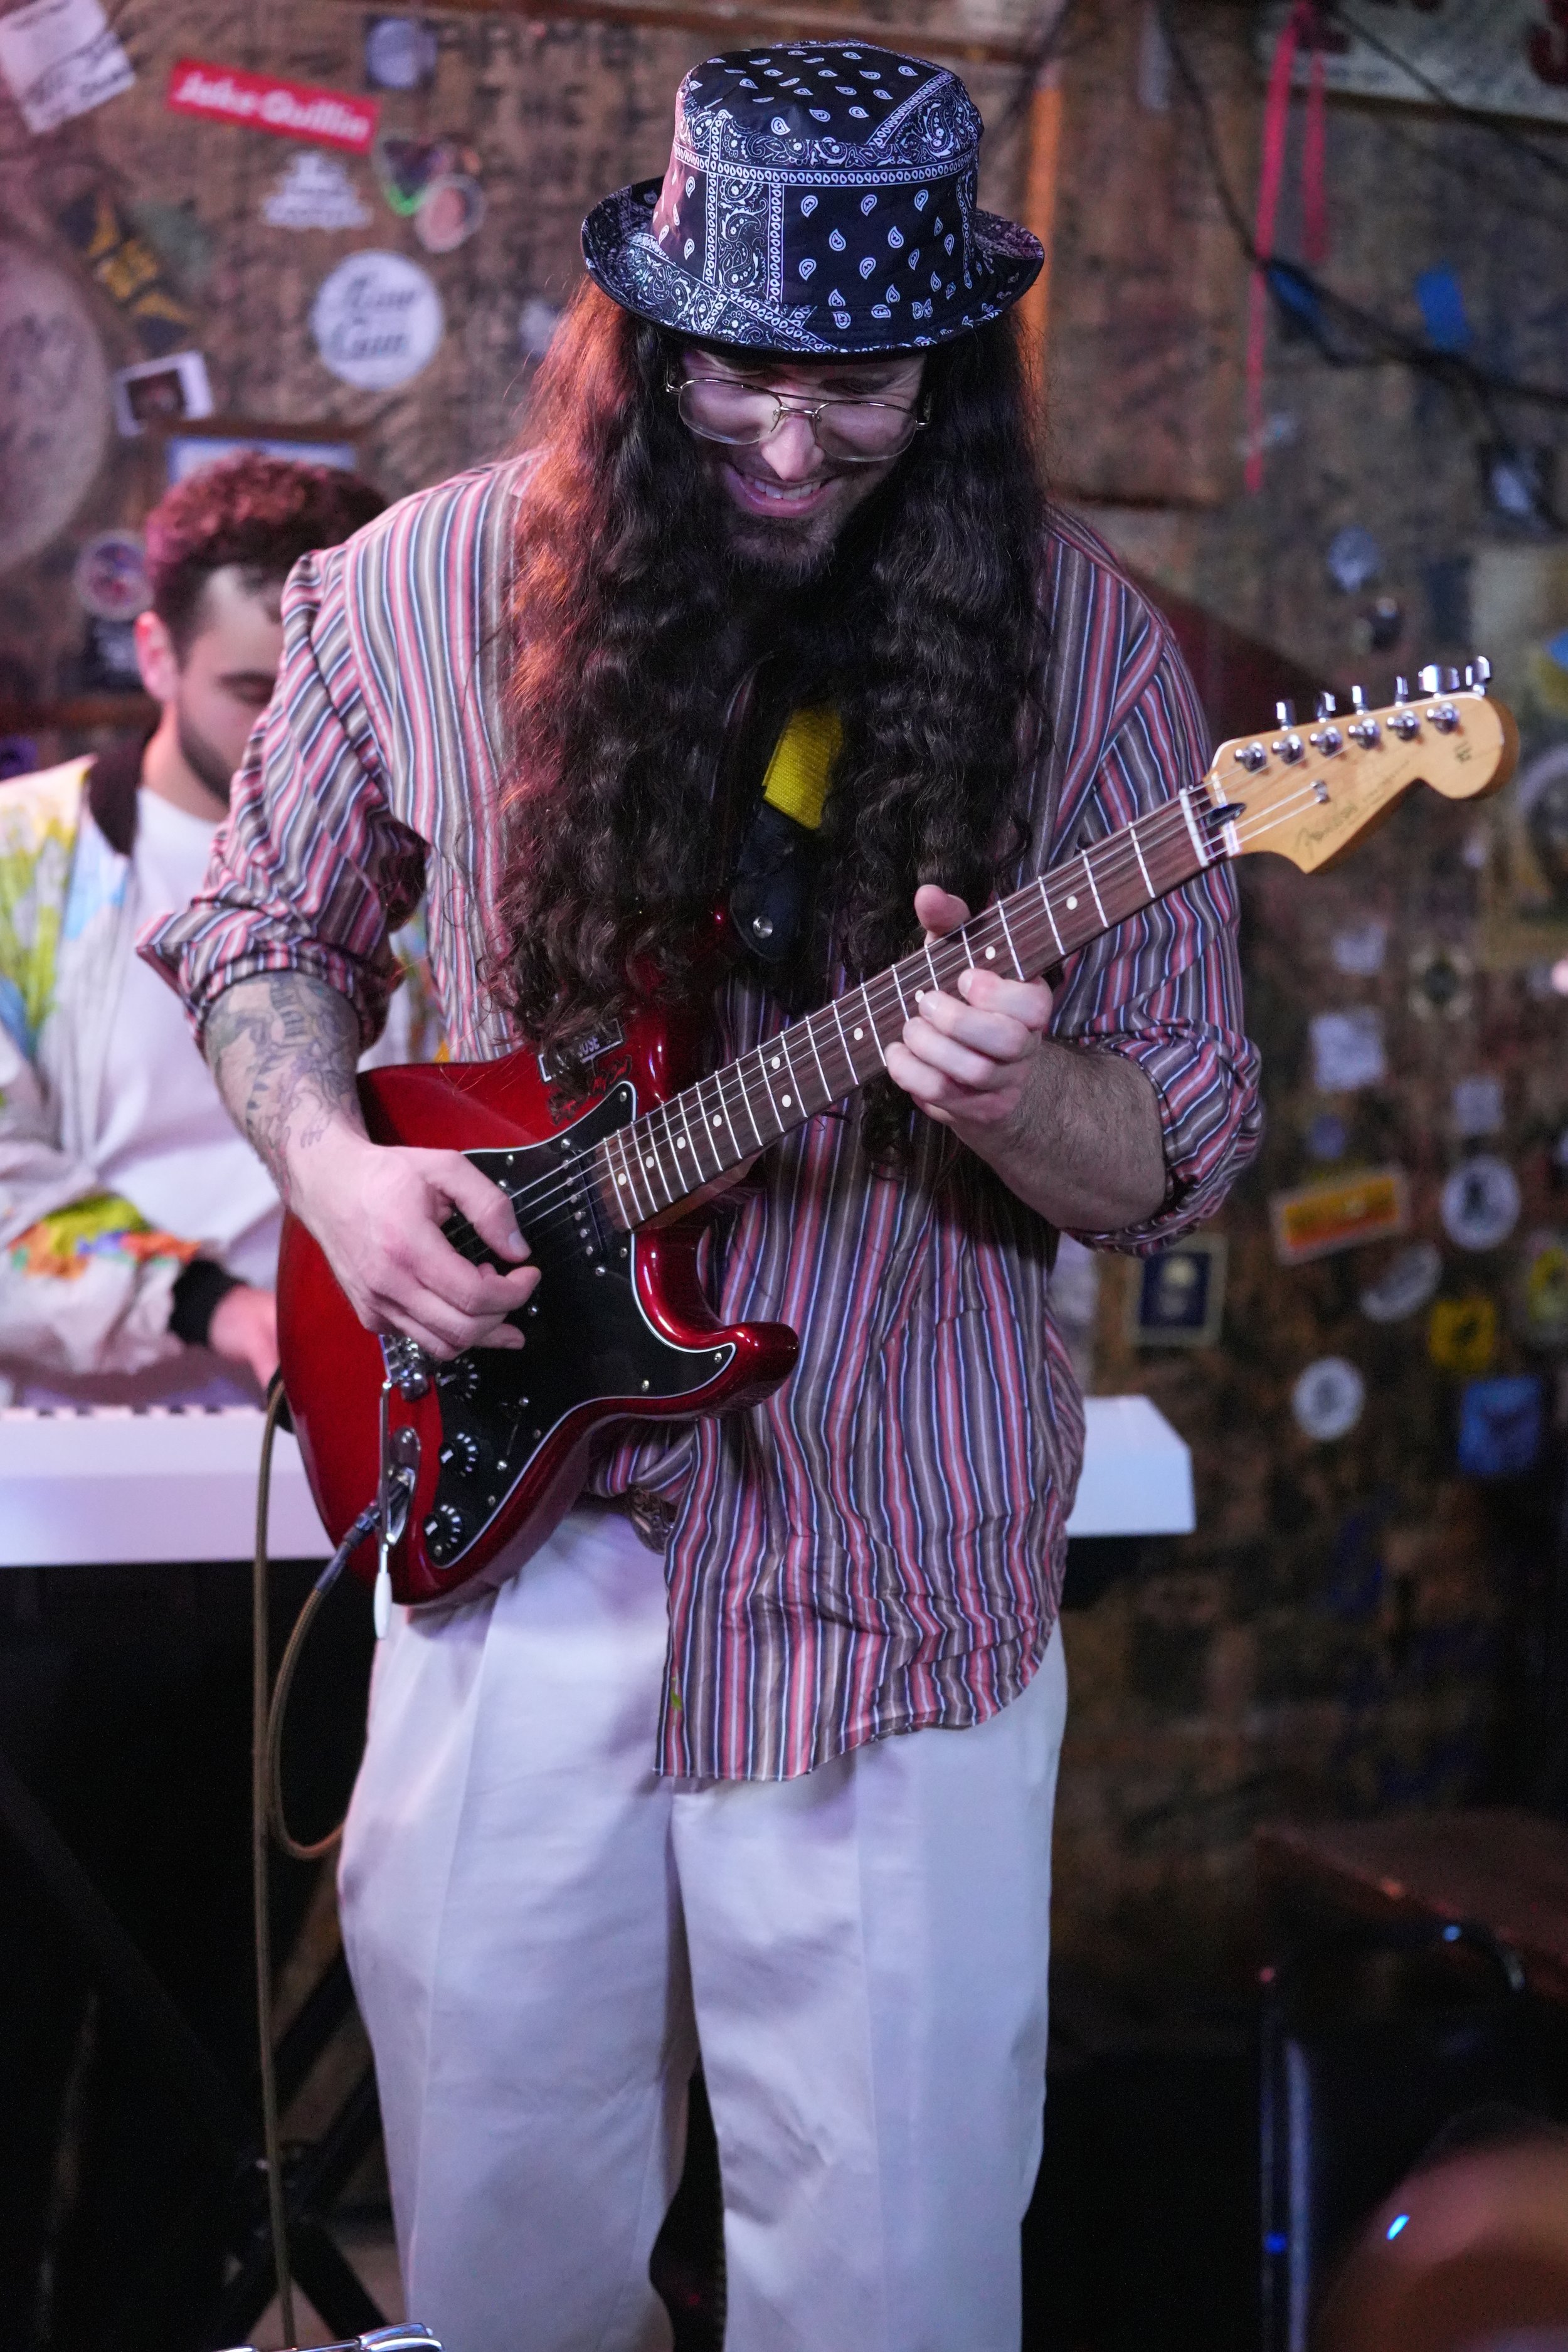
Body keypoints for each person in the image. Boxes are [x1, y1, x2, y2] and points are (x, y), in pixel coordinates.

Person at [147, 42, 1263, 2352]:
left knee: (892, 2285)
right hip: (509, 1547)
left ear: (946, 377)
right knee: (502, 2265)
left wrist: (1019, 1088)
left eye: (854, 390)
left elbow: (1175, 1158)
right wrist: (344, 1177)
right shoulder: (422, 591)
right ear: (650, 333)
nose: (783, 439)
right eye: (738, 372)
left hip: (891, 1587)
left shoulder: (1097, 669)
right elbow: (259, 940)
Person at [0, 452, 383, 1402]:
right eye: (256, 695)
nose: (294, 738)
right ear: (156, 655)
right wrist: (214, 1304)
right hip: (89, 1458)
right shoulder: (18, 860)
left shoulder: (428, 862)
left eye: (326, 695)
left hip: (390, 1435)